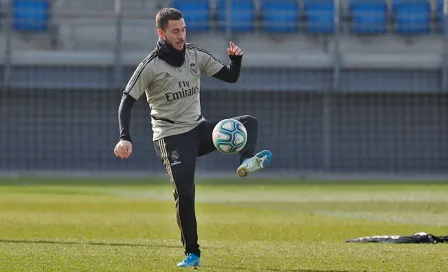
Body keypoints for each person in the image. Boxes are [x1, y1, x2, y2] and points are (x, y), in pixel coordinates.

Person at [113, 7, 272, 268]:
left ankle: (246, 160)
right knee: (185, 193)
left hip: (198, 129)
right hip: (171, 137)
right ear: (161, 33)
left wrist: (236, 60)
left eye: (183, 29)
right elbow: (126, 102)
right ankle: (193, 253)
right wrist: (124, 137)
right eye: (175, 31)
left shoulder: (195, 55)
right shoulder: (150, 65)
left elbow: (230, 76)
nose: (181, 35)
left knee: (248, 123)